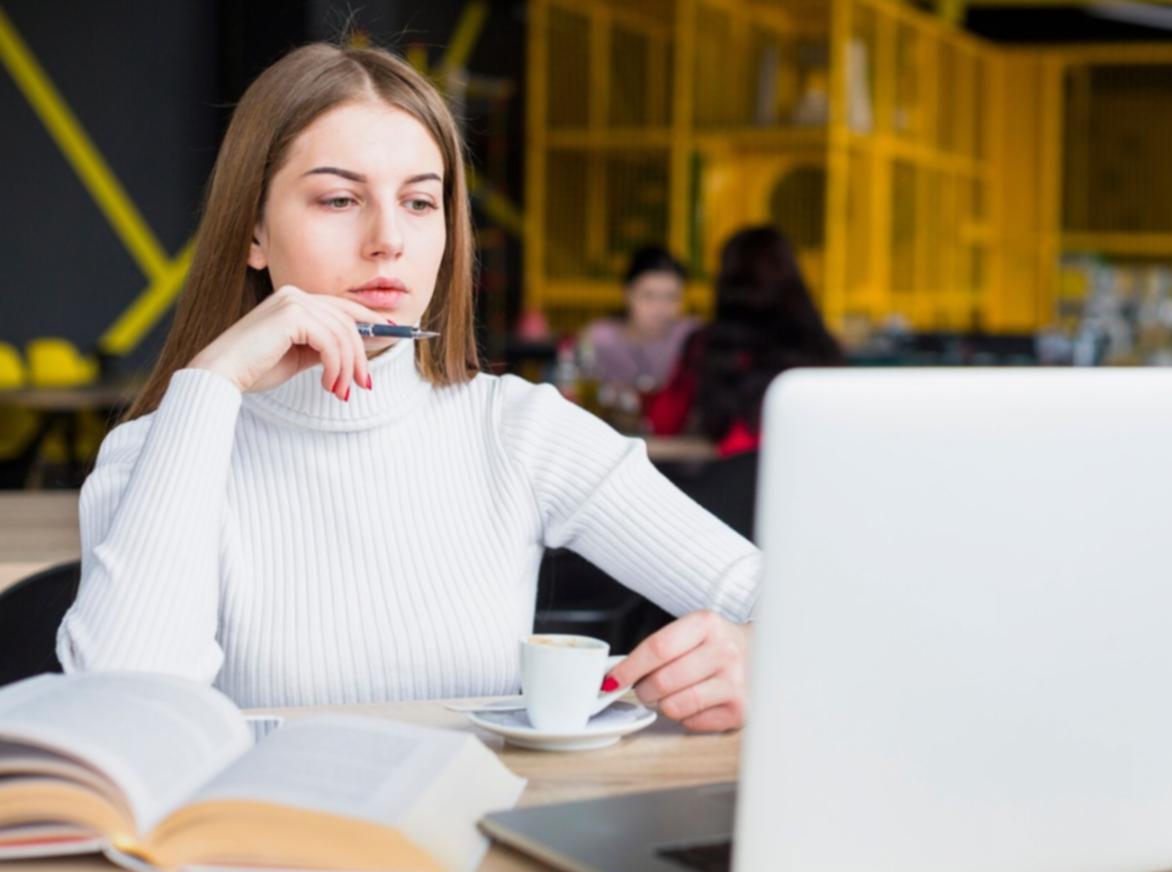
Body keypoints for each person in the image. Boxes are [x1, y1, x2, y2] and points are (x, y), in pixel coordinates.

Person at [56, 43, 757, 733]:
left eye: (420, 202)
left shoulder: (517, 430)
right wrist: (207, 390)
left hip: (478, 842)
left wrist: (757, 655)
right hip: (265, 848)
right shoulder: (157, 452)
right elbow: (122, 722)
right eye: (338, 198)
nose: (388, 239)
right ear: (253, 233)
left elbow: (790, 608)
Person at [648, 228, 842, 537]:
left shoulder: (705, 346)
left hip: (724, 510)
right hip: (806, 502)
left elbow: (664, 423)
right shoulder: (820, 349)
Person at [578, 246, 695, 402]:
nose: (660, 308)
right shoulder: (599, 339)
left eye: (672, 297)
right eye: (648, 296)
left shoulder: (689, 338)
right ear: (627, 294)